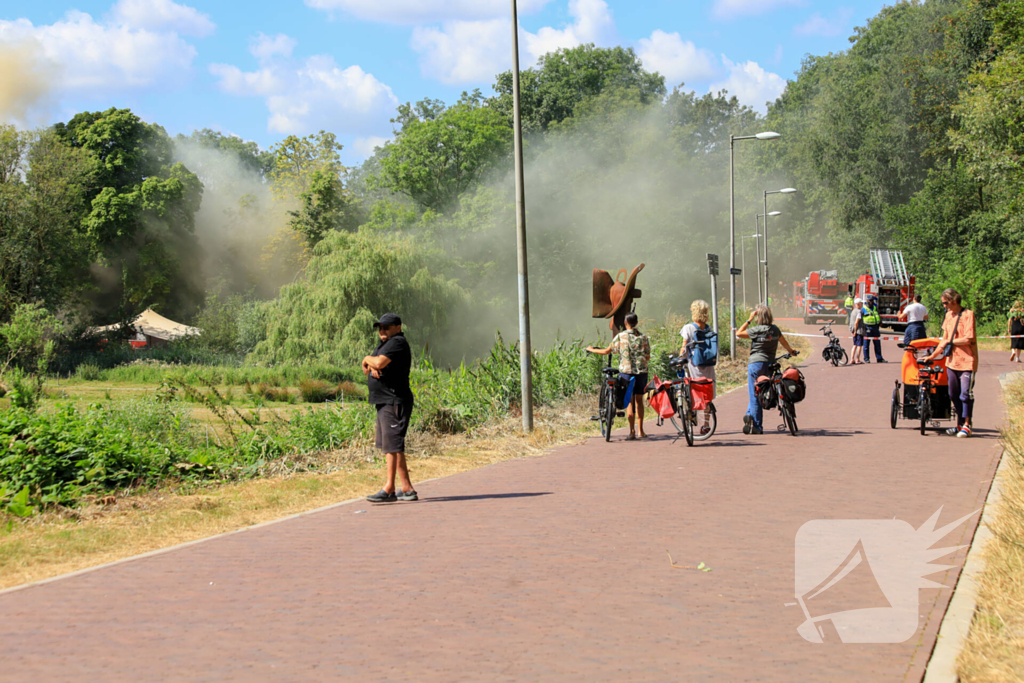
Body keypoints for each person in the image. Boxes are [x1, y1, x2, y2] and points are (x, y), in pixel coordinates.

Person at [363, 313, 417, 502]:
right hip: (385, 401)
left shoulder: (397, 342)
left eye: (386, 327)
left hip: (394, 400)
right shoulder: (383, 345)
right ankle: (407, 488)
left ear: (398, 327)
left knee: (392, 446)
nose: (382, 330)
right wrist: (372, 364)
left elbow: (376, 362)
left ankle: (389, 489)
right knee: (392, 446)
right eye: (380, 327)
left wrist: (368, 359)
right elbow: (370, 367)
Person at [587, 312, 651, 440]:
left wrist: (591, 349)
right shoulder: (644, 338)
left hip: (626, 373)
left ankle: (632, 431)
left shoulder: (621, 336)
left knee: (630, 401)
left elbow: (606, 351)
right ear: (637, 323)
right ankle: (641, 431)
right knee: (639, 401)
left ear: (625, 323)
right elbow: (647, 356)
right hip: (641, 373)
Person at [923, 289, 978, 438]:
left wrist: (950, 342)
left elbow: (969, 339)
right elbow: (944, 340)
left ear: (954, 300)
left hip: (967, 361)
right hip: (952, 362)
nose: (944, 306)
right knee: (953, 394)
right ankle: (959, 424)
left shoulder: (968, 315)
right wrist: (932, 356)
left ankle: (967, 425)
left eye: (945, 303)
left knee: (965, 394)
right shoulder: (948, 316)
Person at [736, 304, 799, 435]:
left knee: (754, 394)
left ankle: (757, 427)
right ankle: (749, 415)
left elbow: (739, 333)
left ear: (758, 317)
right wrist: (791, 351)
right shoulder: (775, 329)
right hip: (770, 364)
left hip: (756, 364)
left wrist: (749, 319)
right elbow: (783, 341)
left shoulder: (757, 330)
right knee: (761, 390)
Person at [679, 299, 716, 435]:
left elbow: (684, 348)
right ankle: (706, 424)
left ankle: (689, 420)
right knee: (706, 395)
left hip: (694, 366)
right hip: (708, 366)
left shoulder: (689, 328)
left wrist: (679, 359)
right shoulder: (708, 328)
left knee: (691, 393)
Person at [861, 296, 887, 363]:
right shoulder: (863, 309)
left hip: (875, 328)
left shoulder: (875, 308)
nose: (870, 302)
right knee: (866, 345)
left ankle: (879, 358)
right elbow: (859, 319)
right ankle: (866, 359)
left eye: (872, 300)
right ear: (867, 301)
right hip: (867, 328)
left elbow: (878, 315)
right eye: (869, 300)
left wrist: (881, 322)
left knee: (877, 344)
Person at [848, 297, 865, 365]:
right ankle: (857, 359)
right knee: (859, 345)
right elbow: (856, 322)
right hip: (858, 330)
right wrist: (855, 331)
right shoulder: (859, 312)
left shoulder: (853, 311)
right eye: (861, 303)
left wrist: (853, 331)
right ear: (858, 304)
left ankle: (852, 359)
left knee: (854, 345)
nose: (862, 304)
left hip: (853, 329)